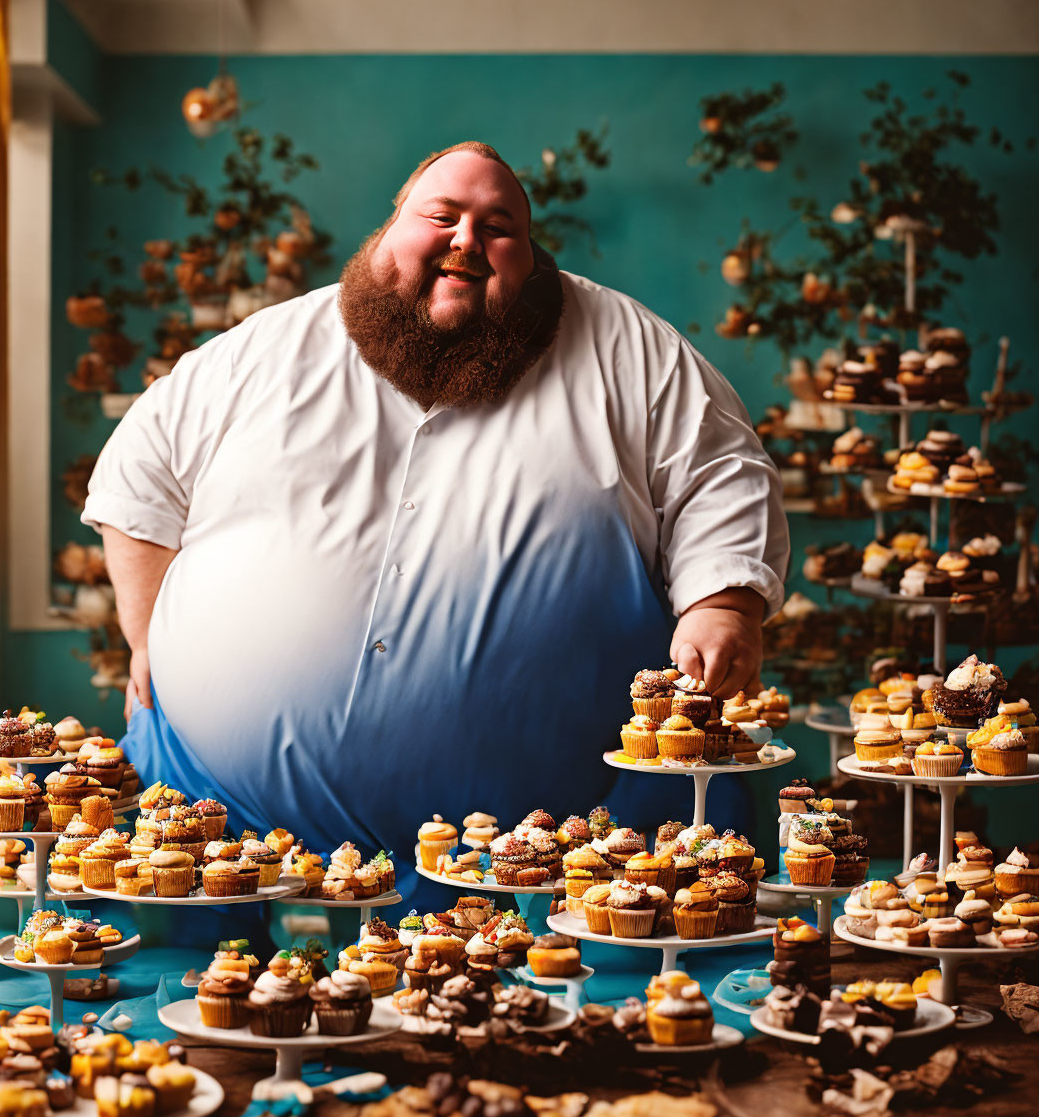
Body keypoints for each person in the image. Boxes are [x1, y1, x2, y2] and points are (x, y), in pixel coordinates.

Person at [82, 142, 788, 898]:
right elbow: (139, 468)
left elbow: (721, 475)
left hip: (561, 851)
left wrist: (723, 608)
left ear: (531, 250)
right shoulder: (265, 349)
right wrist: (145, 629)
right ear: (391, 227)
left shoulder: (634, 351)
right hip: (215, 817)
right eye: (441, 215)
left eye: (498, 226)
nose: (466, 241)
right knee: (182, 1005)